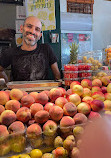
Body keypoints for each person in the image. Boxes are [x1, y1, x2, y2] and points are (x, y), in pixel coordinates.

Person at [0, 16, 61, 82]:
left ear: (40, 36)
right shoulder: (10, 52)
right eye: (29, 26)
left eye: (37, 29)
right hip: (20, 92)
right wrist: (7, 84)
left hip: (43, 92)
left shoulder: (46, 49)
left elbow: (57, 75)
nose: (32, 31)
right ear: (21, 28)